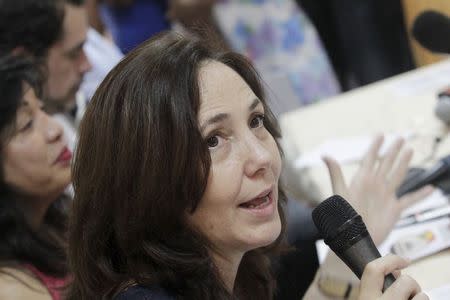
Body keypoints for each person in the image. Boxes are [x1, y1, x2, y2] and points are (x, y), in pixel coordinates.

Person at [67, 31, 431, 299]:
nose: (261, 158)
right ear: (147, 176)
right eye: (214, 140)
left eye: (256, 122)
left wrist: (350, 258)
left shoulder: (222, 268)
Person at [0, 55, 72, 299]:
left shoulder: (54, 222)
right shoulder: (11, 289)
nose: (55, 129)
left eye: (42, 110)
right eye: (27, 124)